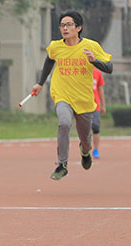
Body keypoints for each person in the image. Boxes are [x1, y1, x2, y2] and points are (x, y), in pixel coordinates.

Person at [30, 10, 113, 181]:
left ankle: (85, 152)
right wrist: (40, 83)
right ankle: (62, 165)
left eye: (68, 25)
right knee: (64, 122)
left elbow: (109, 67)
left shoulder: (91, 46)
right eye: (62, 25)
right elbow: (49, 60)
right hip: (62, 95)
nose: (64, 28)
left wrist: (93, 61)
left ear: (78, 27)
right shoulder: (56, 46)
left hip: (84, 100)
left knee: (85, 140)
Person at [91, 68, 106, 159]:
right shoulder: (80, 71)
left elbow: (100, 90)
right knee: (84, 129)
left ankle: (95, 149)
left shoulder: (97, 72)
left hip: (95, 105)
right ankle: (85, 150)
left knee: (95, 126)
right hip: (83, 105)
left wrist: (103, 105)